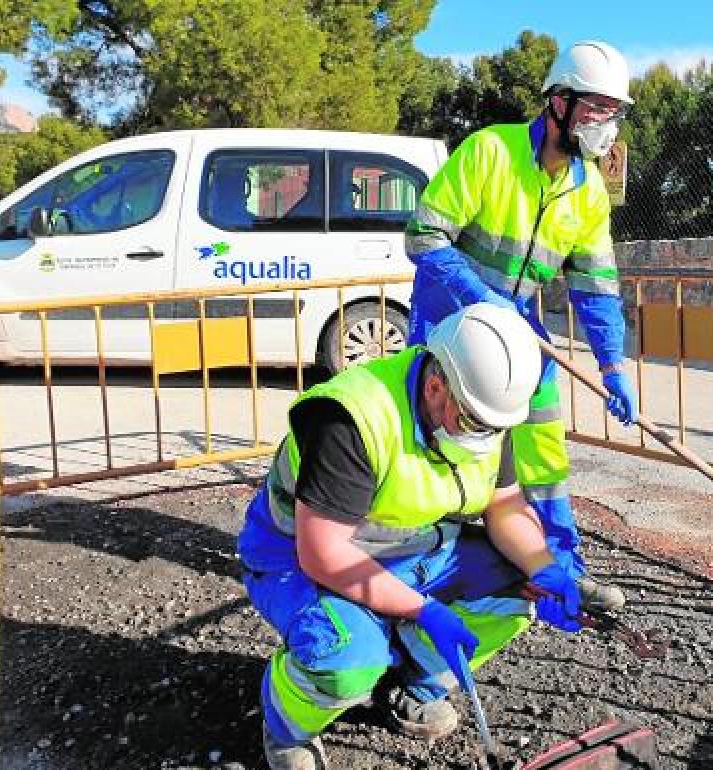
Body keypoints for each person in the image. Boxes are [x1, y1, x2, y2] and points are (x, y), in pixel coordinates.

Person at [237, 304, 586, 770]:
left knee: (518, 592)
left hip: (413, 550)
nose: (486, 439)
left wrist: (544, 567)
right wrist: (422, 609)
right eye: (476, 424)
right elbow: (324, 554)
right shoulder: (351, 419)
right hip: (301, 562)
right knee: (346, 660)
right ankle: (287, 723)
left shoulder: (482, 408)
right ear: (436, 386)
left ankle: (409, 683)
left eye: (496, 429)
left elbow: (503, 504)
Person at [404, 40, 637, 613]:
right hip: (447, 330)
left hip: (522, 337)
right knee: (438, 452)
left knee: (542, 456)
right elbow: (424, 237)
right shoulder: (490, 151)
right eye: (595, 108)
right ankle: (412, 571)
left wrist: (612, 363)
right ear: (559, 102)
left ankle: (559, 577)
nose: (604, 124)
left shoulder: (588, 194)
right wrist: (483, 300)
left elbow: (595, 283)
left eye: (614, 112)